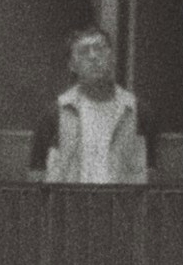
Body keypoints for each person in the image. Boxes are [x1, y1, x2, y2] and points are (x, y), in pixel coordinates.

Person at [45, 28, 147, 183]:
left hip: (120, 199)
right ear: (72, 65)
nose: (93, 56)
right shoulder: (56, 112)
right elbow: (36, 177)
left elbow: (151, 177)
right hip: (73, 199)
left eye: (99, 49)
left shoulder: (136, 111)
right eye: (83, 52)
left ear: (112, 57)